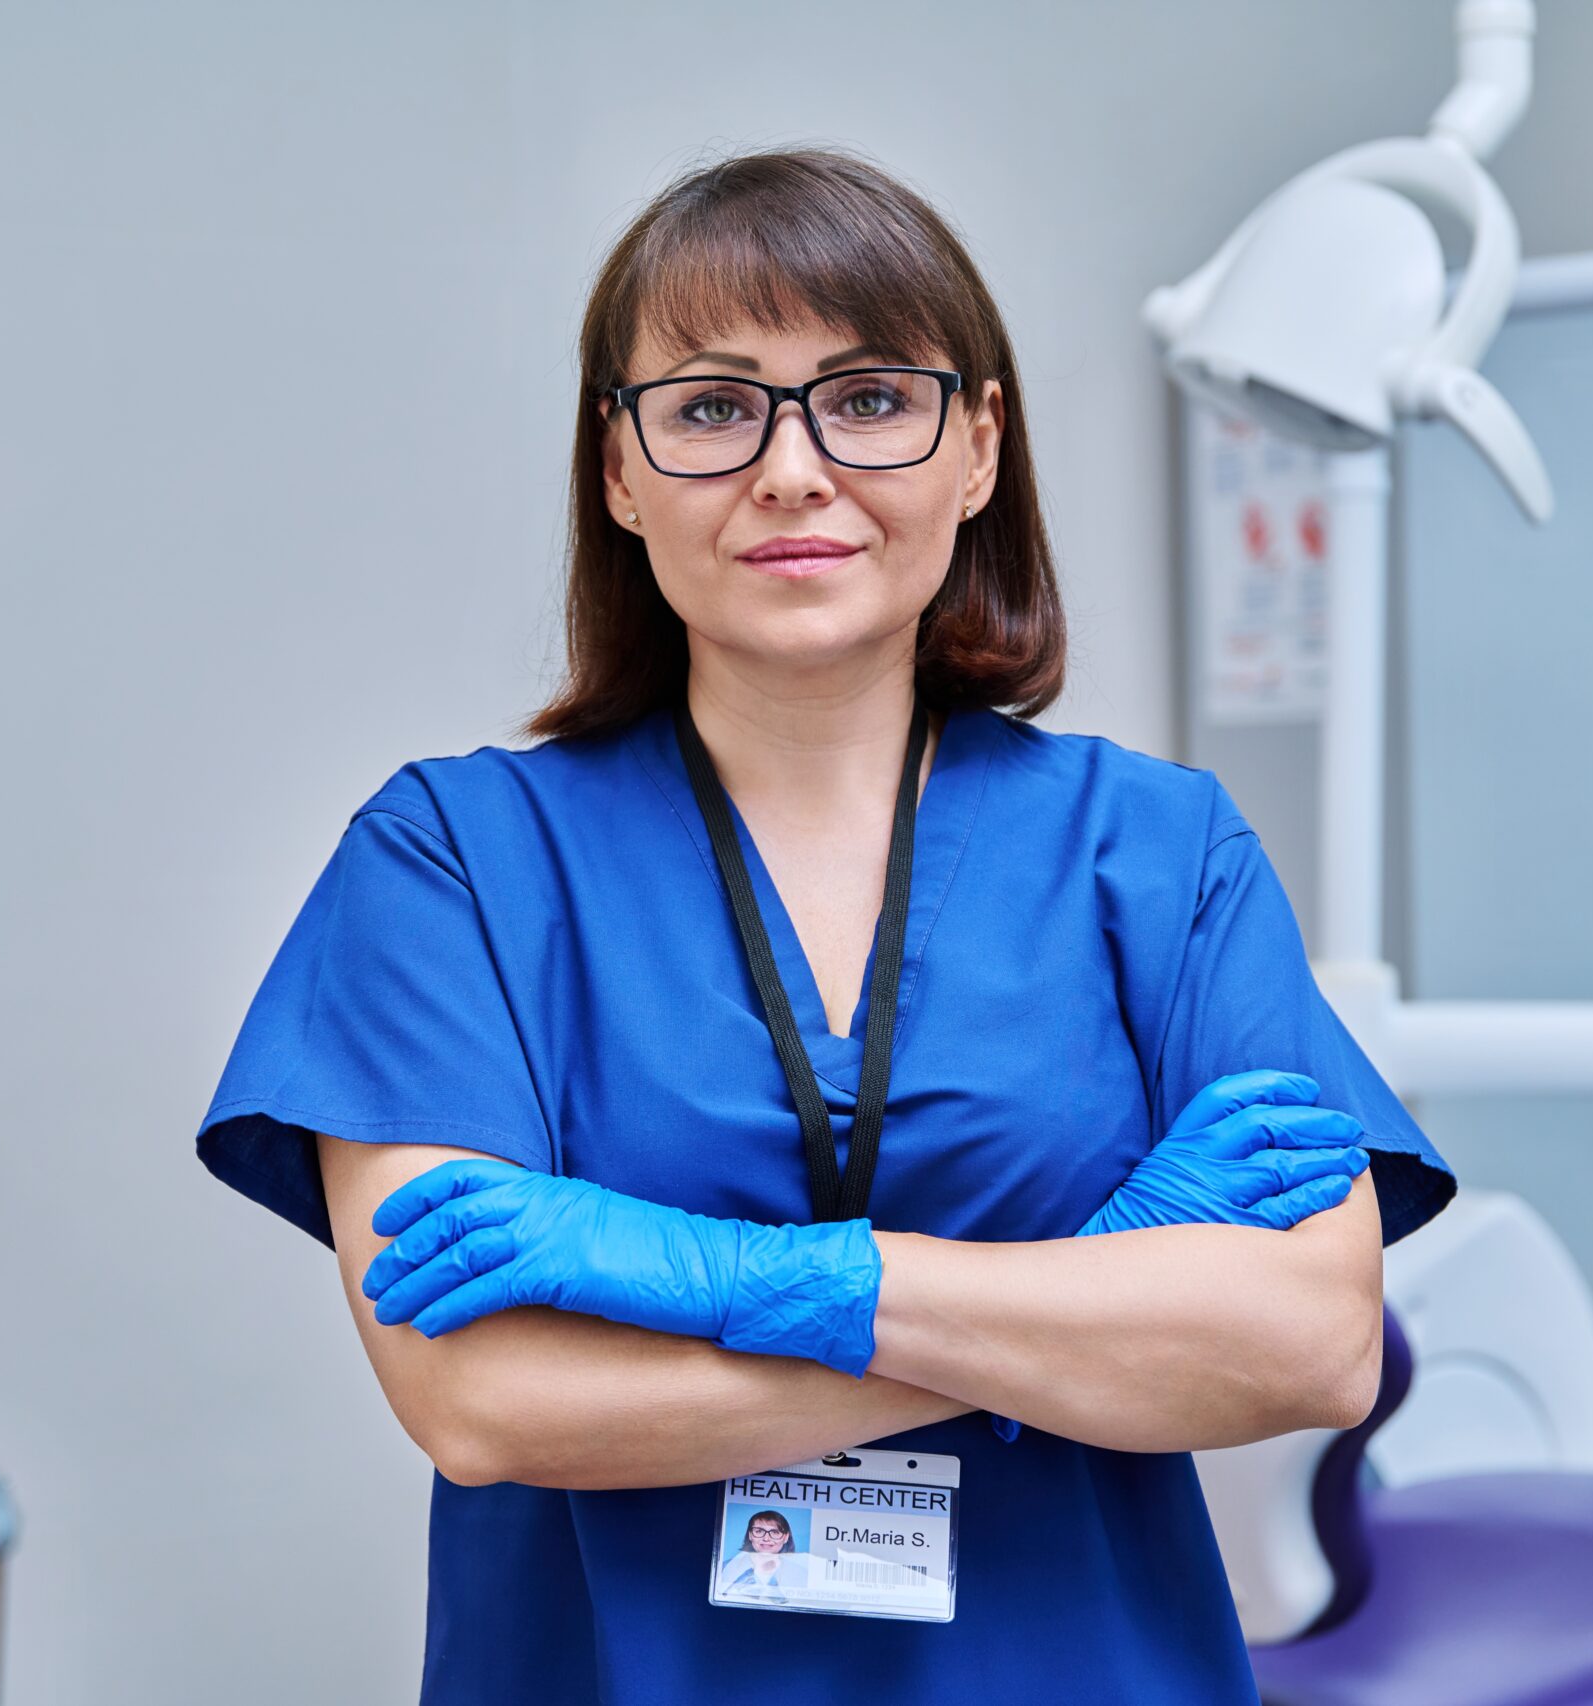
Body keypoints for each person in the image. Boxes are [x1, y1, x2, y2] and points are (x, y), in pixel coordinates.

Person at [195, 145, 1455, 1704]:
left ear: (978, 446)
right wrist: (1084, 1286)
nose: (793, 470)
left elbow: (1308, 1341)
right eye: (715, 407)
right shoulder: (452, 858)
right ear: (618, 469)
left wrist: (707, 1274)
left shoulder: (1160, 853)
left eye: (868, 399)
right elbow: (487, 1394)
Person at [716, 1509, 811, 1598]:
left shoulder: (801, 1574)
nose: (766, 1538)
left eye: (775, 1532)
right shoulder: (723, 1568)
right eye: (759, 1531)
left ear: (786, 1537)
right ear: (750, 1535)